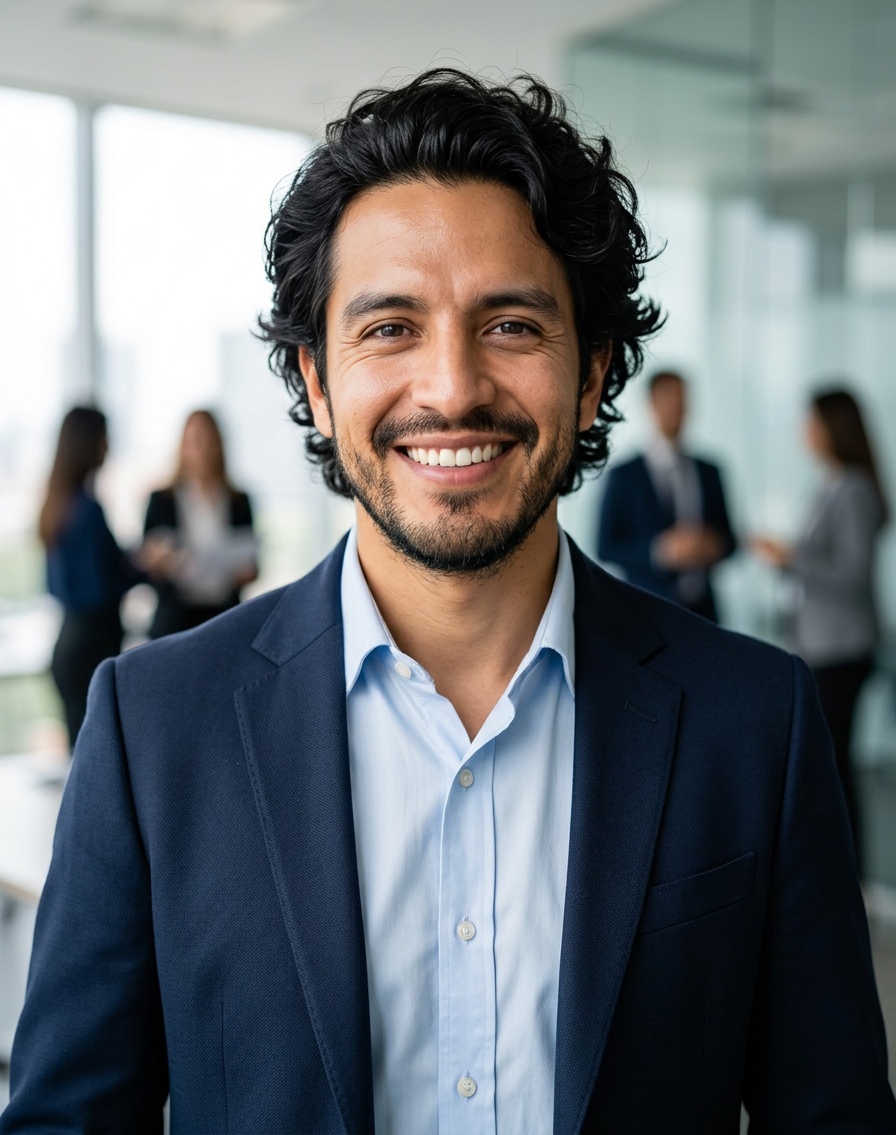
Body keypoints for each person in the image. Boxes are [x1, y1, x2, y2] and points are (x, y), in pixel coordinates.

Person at [3, 71, 894, 1134]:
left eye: (510, 324)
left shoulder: (751, 720)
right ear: (317, 381)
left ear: (591, 370)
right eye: (388, 327)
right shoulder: (156, 727)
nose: (450, 387)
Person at [752, 388, 888, 878]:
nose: (805, 432)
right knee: (829, 762)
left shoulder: (852, 488)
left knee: (836, 766)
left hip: (843, 648)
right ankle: (841, 872)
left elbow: (850, 573)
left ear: (834, 426)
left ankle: (851, 877)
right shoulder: (830, 485)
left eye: (812, 422)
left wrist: (790, 557)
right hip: (822, 645)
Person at [597, 370, 736, 621]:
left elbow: (732, 541)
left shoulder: (710, 470)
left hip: (703, 612)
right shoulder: (625, 474)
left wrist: (712, 545)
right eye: (669, 399)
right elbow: (605, 546)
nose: (677, 408)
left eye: (682, 401)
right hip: (645, 611)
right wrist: (659, 551)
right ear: (652, 405)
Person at [37, 405, 136, 751]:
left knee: (80, 761)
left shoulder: (56, 504)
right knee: (97, 760)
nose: (107, 447)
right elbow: (101, 588)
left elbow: (53, 585)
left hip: (67, 643)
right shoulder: (88, 509)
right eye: (103, 438)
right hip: (91, 648)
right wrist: (143, 568)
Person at [141, 409, 258, 637]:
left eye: (208, 440)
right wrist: (160, 559)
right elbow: (146, 560)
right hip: (175, 619)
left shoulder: (239, 501)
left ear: (220, 444)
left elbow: (253, 565)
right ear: (182, 447)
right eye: (194, 441)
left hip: (224, 616)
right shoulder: (162, 500)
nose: (202, 449)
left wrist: (238, 568)